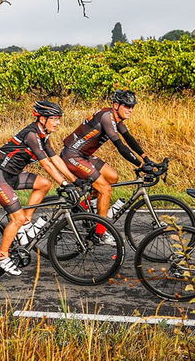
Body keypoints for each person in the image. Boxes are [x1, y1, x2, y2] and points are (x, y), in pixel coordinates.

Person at [0, 100, 78, 276]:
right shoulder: (32, 135)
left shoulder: (44, 135)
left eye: (59, 119)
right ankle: (2, 256)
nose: (58, 122)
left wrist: (74, 181)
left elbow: (55, 159)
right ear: (42, 119)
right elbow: (46, 165)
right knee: (16, 219)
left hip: (11, 176)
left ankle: (25, 225)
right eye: (55, 119)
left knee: (44, 184)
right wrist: (64, 184)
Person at [59, 90, 161, 246]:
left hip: (83, 156)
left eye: (132, 106)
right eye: (127, 106)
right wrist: (141, 165)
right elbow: (120, 146)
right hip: (72, 156)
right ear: (116, 105)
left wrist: (147, 159)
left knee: (112, 176)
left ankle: (83, 207)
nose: (130, 110)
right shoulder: (107, 117)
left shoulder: (115, 118)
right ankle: (99, 233)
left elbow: (129, 139)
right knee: (105, 189)